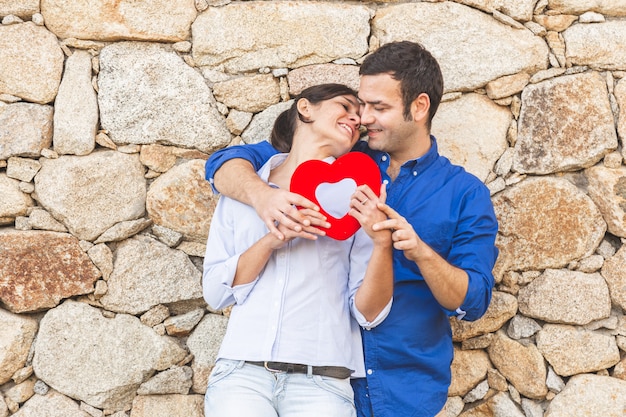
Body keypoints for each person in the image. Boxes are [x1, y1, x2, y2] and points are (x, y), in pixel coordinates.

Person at [205, 41, 499, 417]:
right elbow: (227, 163)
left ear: (419, 107)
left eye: (379, 108)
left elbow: (472, 301)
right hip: (318, 375)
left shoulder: (464, 193)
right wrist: (262, 197)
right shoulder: (338, 157)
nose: (364, 118)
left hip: (403, 385)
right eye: (361, 105)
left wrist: (420, 252)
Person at [202, 83, 394, 417]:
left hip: (322, 383)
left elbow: (368, 314)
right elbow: (216, 292)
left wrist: (381, 242)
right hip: (241, 375)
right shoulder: (244, 190)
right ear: (305, 107)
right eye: (345, 106)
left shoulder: (359, 198)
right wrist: (271, 240)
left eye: (358, 116)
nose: (356, 118)